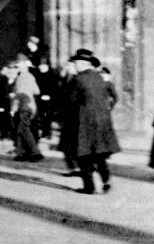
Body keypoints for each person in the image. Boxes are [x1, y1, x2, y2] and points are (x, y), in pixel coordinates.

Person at [64, 50, 120, 194]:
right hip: (100, 122)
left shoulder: (77, 80)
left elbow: (70, 102)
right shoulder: (99, 77)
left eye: (75, 63)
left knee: (83, 155)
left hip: (82, 122)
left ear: (83, 64)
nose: (74, 65)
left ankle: (89, 186)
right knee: (99, 154)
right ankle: (106, 180)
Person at [10, 54, 43, 162]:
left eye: (18, 64)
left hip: (23, 107)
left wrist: (13, 108)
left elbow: (19, 95)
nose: (17, 66)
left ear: (23, 65)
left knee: (24, 129)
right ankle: (21, 153)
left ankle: (35, 152)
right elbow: (37, 91)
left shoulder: (20, 78)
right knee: (21, 129)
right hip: (31, 106)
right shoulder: (30, 76)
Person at [33, 58, 59, 139]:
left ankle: (47, 132)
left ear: (47, 66)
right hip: (39, 99)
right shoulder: (37, 74)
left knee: (47, 116)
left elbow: (55, 88)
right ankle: (40, 132)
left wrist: (49, 96)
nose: (41, 67)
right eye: (40, 65)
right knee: (39, 116)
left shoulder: (52, 75)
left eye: (43, 65)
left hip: (49, 100)